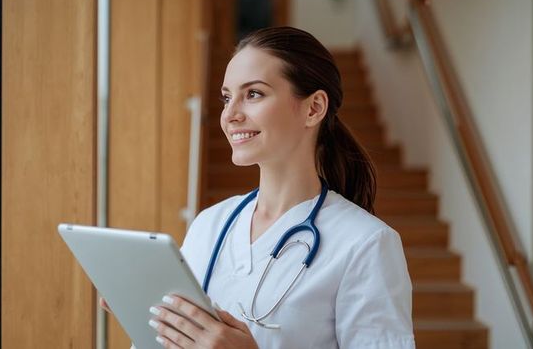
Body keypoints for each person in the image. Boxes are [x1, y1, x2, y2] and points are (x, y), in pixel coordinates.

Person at [104, 26, 415, 349]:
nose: (230, 115)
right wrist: (148, 319)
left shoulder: (366, 243)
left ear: (314, 108)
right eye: (226, 97)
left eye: (253, 94)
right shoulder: (210, 224)